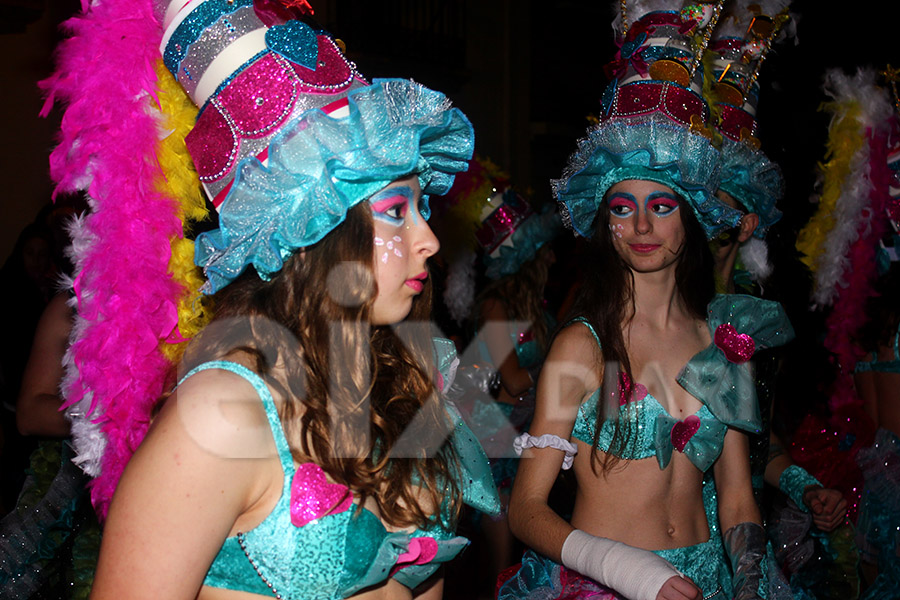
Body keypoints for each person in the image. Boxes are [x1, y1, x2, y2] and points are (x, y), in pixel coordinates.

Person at [43, 1, 499, 598]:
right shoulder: (220, 415)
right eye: (395, 211)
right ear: (312, 227)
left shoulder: (404, 372)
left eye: (423, 207)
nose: (430, 240)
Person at [497, 3, 794, 599]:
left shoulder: (722, 337)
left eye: (660, 205)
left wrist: (751, 582)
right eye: (622, 207)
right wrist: (632, 573)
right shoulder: (581, 345)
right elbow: (526, 509)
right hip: (607, 584)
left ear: (688, 218)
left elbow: (736, 493)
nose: (640, 225)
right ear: (605, 223)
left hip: (708, 582)